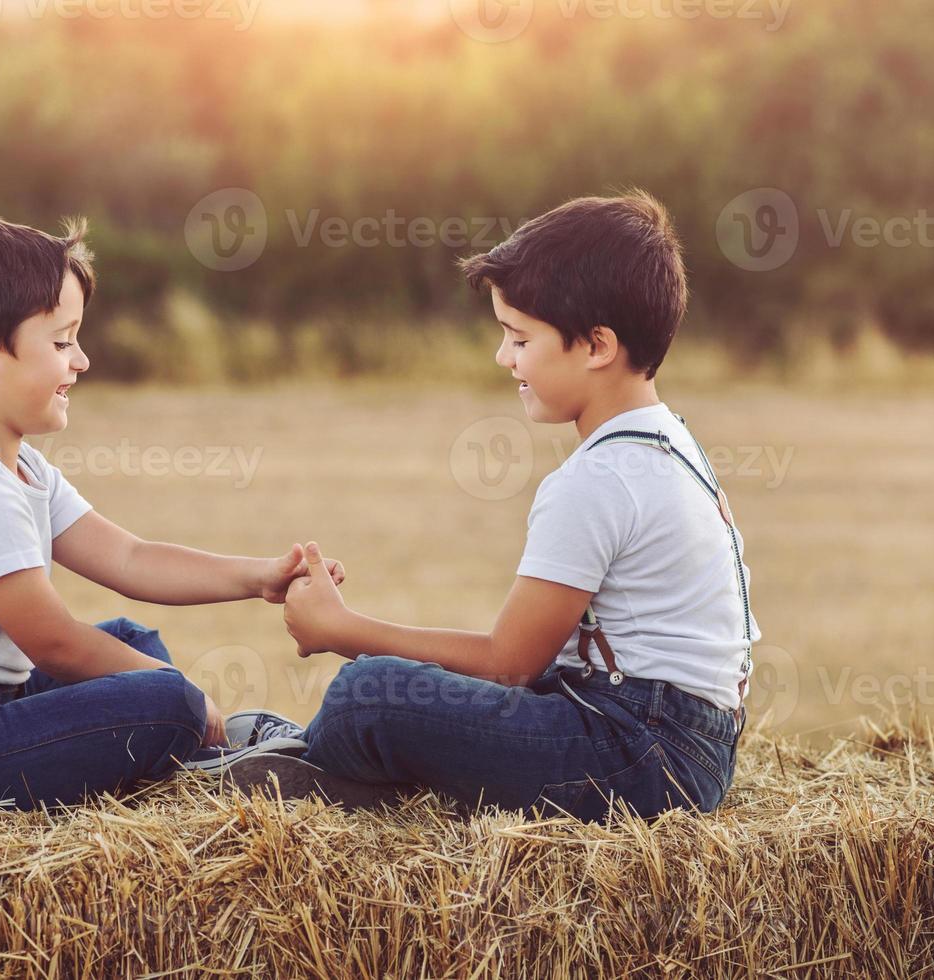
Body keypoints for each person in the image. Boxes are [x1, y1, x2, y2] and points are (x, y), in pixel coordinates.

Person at [239, 192, 761, 821]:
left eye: (519, 339)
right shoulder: (669, 442)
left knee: (369, 691)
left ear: (596, 346)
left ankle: (308, 766)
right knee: (421, 688)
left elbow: (508, 665)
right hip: (689, 748)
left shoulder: (596, 480)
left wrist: (342, 631)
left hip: (641, 757)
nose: (503, 357)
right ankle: (312, 753)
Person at [0, 194, 340, 811]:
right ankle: (206, 758)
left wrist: (258, 576)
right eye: (63, 342)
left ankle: (201, 761)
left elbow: (130, 556)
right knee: (163, 695)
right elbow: (57, 645)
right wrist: (184, 696)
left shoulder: (16, 468)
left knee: (131, 639)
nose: (82, 360)